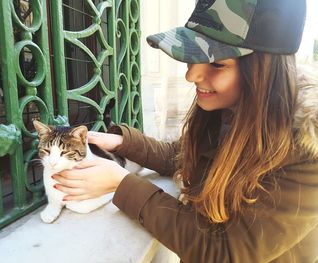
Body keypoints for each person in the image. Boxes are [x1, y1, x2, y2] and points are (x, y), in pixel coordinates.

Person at [52, 0, 318, 262]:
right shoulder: (231, 110)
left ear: (263, 71)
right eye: (195, 56)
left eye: (217, 64)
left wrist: (122, 184)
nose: (191, 76)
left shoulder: (305, 153)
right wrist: (122, 142)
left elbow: (223, 252)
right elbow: (180, 155)